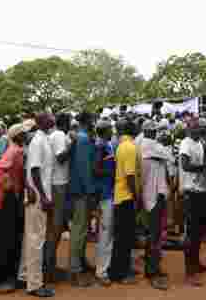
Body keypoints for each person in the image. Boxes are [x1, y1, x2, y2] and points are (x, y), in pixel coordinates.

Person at [0, 122, 27, 293]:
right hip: (6, 199)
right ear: (17, 136)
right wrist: (8, 186)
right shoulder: (14, 150)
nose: (26, 136)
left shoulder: (16, 149)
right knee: (1, 241)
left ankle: (0, 279)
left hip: (10, 199)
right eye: (23, 134)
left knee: (6, 240)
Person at [23, 114, 56, 298]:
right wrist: (43, 196)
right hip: (38, 198)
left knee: (35, 239)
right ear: (42, 122)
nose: (53, 119)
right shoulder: (38, 141)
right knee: (36, 240)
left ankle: (30, 278)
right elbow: (34, 169)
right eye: (49, 118)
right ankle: (34, 285)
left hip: (40, 195)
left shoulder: (43, 138)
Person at [138, 120, 172, 289]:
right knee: (154, 235)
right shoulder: (152, 146)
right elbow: (170, 157)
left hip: (148, 195)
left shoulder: (141, 145)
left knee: (153, 234)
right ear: (150, 132)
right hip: (154, 196)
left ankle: (153, 267)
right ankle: (151, 271)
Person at [179, 118, 206, 285]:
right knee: (191, 231)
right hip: (191, 192)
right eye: (195, 128)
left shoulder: (199, 143)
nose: (197, 130)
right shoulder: (186, 143)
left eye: (199, 128)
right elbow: (185, 165)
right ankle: (189, 268)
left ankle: (196, 262)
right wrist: (205, 167)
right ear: (190, 129)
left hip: (202, 191)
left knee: (200, 230)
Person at [66, 112, 96, 288]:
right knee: (79, 231)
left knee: (81, 229)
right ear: (89, 121)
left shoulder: (81, 137)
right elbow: (84, 169)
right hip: (81, 191)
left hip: (78, 189)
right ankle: (75, 270)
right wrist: (90, 191)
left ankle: (81, 263)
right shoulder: (83, 139)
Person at [108, 118, 138, 285]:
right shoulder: (130, 147)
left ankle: (121, 270)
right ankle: (119, 273)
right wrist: (136, 196)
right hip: (126, 196)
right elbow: (130, 176)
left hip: (122, 195)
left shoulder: (122, 145)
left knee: (123, 237)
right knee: (123, 238)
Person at [45, 114, 72, 281]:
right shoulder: (60, 135)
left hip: (55, 183)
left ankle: (50, 265)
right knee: (55, 227)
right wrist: (73, 145)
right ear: (66, 124)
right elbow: (61, 157)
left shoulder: (54, 135)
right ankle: (49, 269)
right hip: (58, 184)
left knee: (54, 226)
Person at [92, 120, 116, 287]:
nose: (112, 132)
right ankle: (101, 271)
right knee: (105, 234)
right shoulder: (100, 147)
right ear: (104, 131)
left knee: (107, 234)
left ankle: (104, 267)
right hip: (104, 195)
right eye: (110, 130)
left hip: (109, 193)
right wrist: (114, 172)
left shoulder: (106, 145)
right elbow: (95, 170)